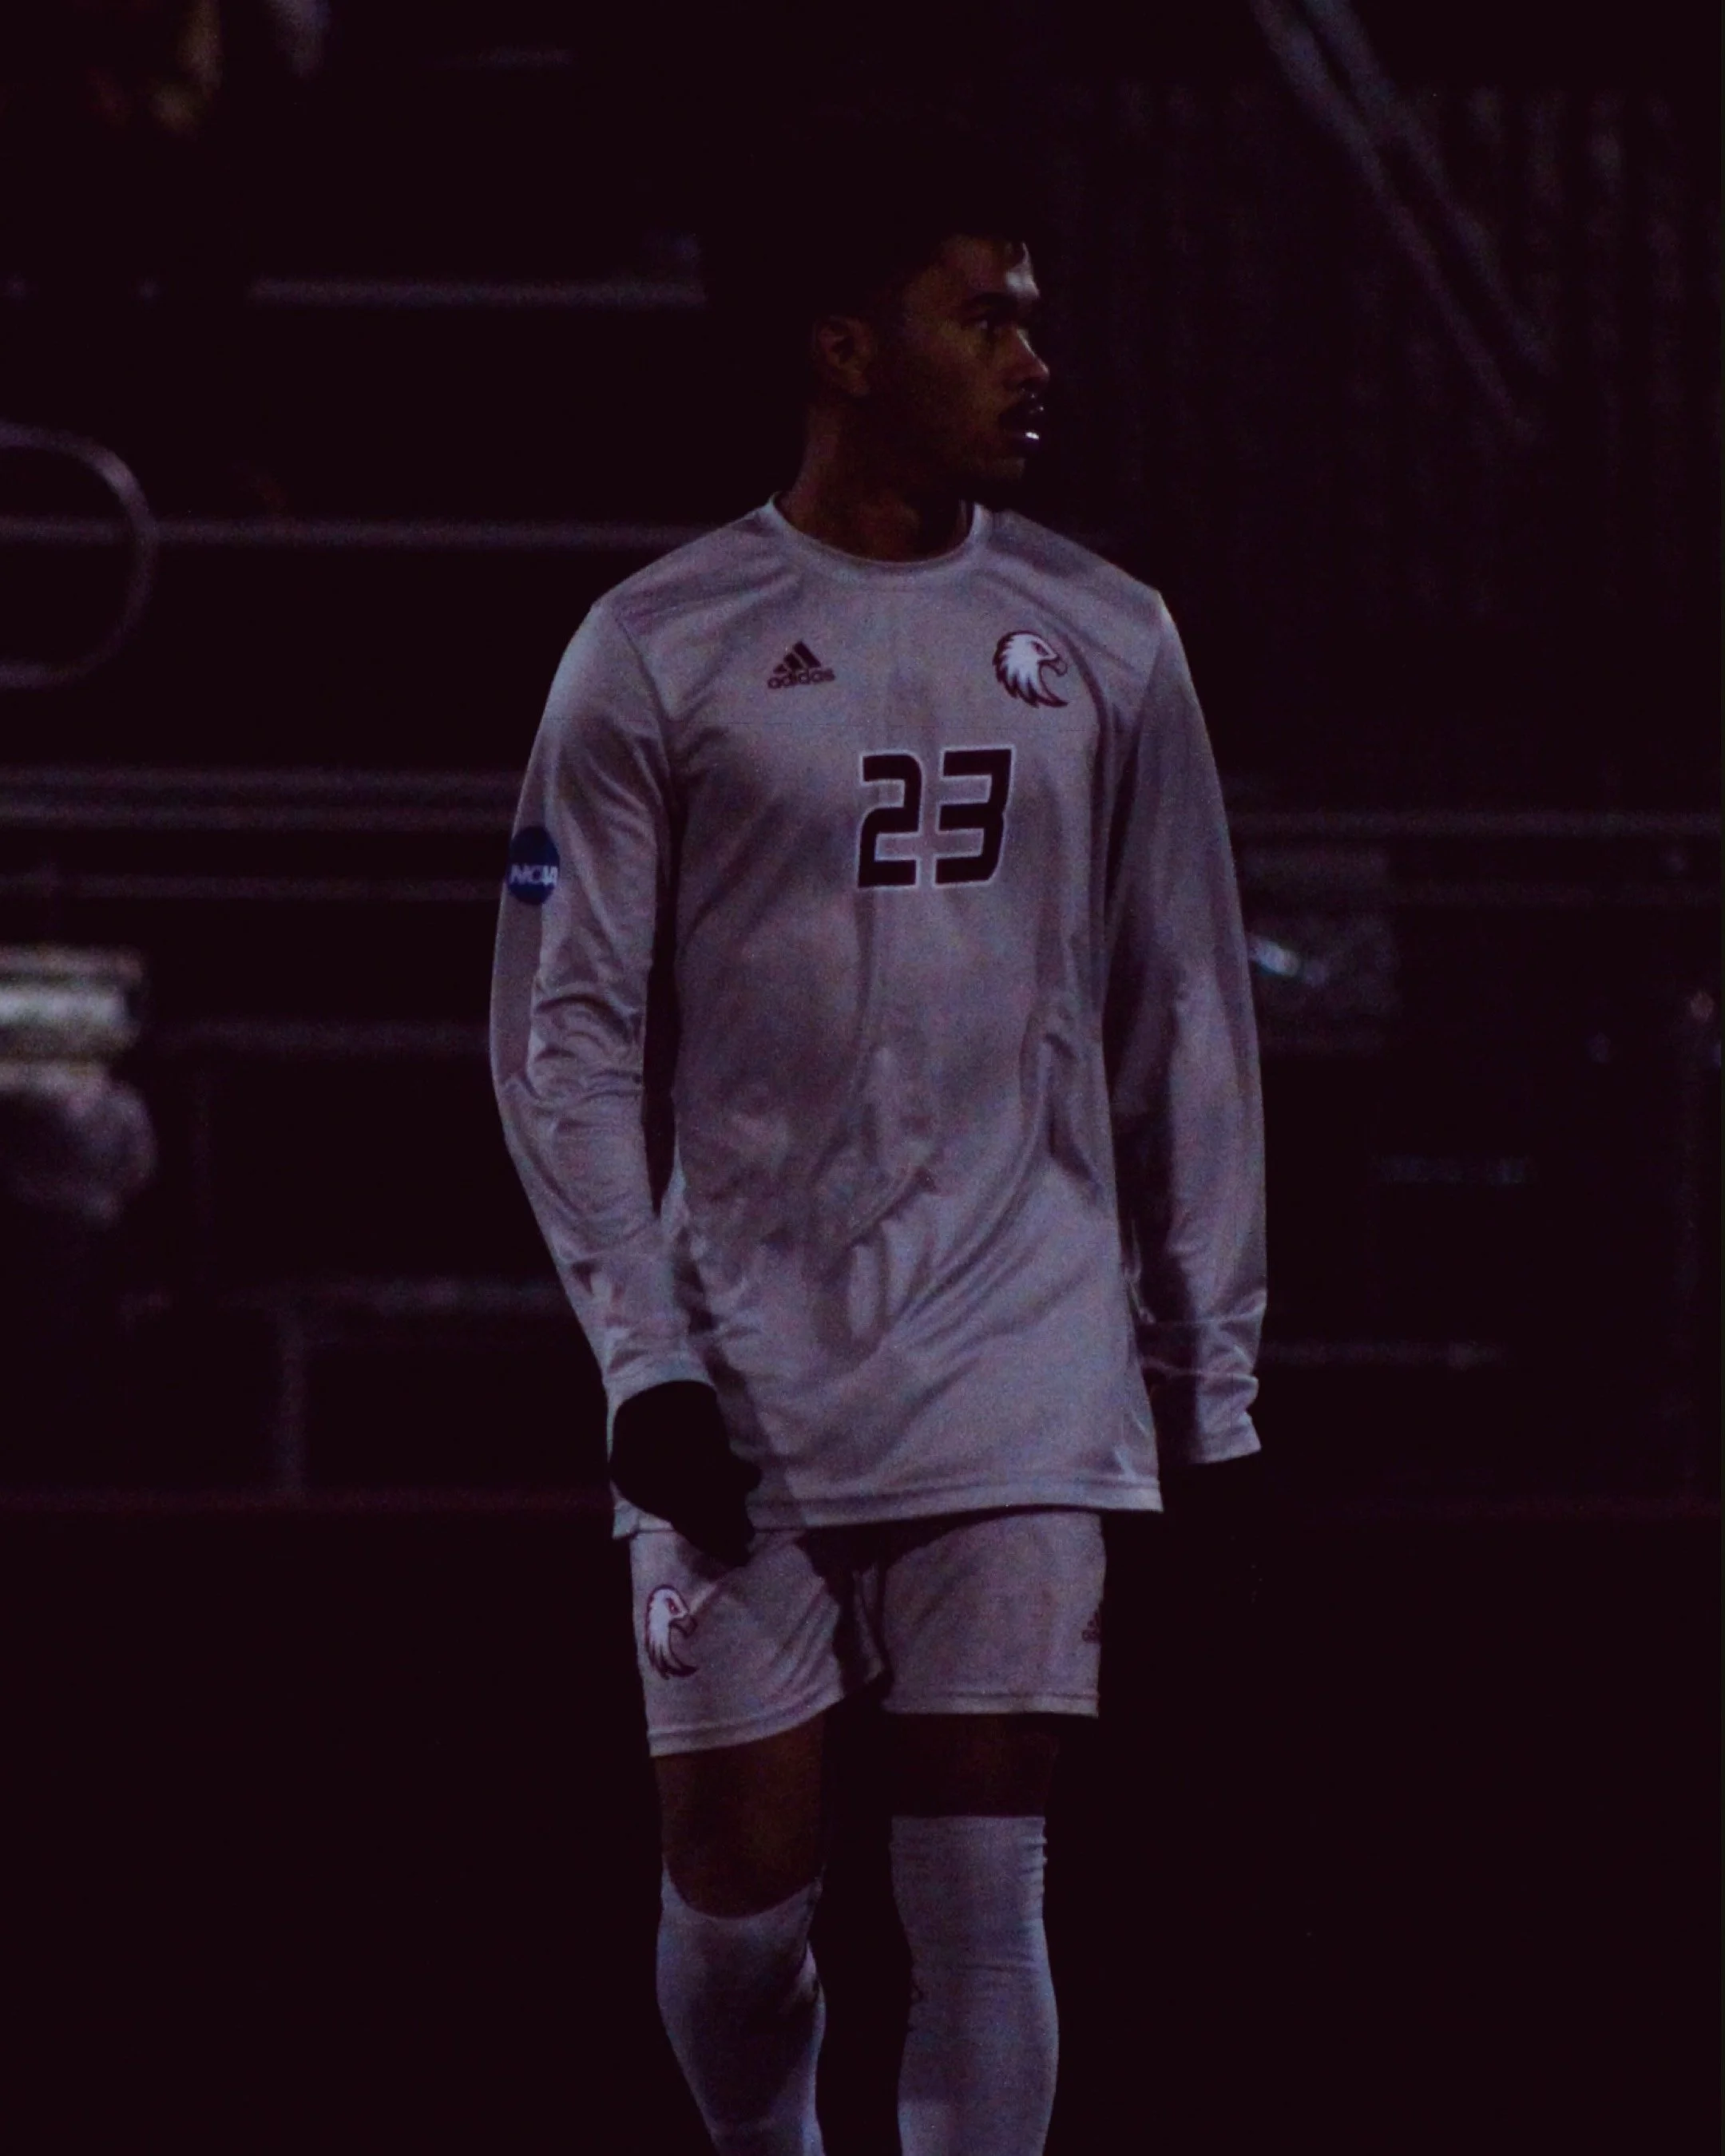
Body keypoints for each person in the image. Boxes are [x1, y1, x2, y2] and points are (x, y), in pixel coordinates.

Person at [490, 106, 1266, 2156]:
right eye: (983, 315)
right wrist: (641, 1354)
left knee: (981, 1892)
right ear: (847, 349)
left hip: (1022, 1330)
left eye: (1037, 314)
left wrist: (1216, 1367)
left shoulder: (1114, 642)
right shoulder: (660, 649)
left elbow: (1182, 1004)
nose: (1035, 357)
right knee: (743, 1894)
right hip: (746, 1352)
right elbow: (560, 1041)